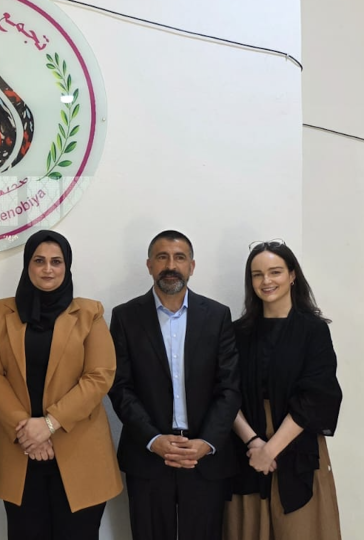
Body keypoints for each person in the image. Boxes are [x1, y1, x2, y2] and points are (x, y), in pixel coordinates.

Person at [0, 230, 123, 540]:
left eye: (56, 262)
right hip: (22, 450)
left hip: (79, 452)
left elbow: (99, 375)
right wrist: (28, 429)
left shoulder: (89, 313)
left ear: (67, 267)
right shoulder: (1, 313)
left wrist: (50, 424)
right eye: (39, 261)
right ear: (27, 266)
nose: (47, 269)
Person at [108, 230, 240, 540]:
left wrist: (206, 442)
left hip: (204, 457)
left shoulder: (218, 316)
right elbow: (120, 387)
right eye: (162, 257)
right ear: (149, 265)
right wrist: (153, 438)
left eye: (179, 257)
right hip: (148, 454)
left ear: (192, 266)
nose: (171, 265)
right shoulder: (125, 317)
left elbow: (230, 387)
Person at [223, 240, 342, 540]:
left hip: (296, 443)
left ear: (292, 276)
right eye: (257, 274)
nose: (266, 281)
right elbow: (225, 392)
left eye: (275, 272)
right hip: (247, 448)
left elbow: (317, 396)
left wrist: (271, 449)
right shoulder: (237, 332)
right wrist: (253, 443)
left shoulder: (313, 330)